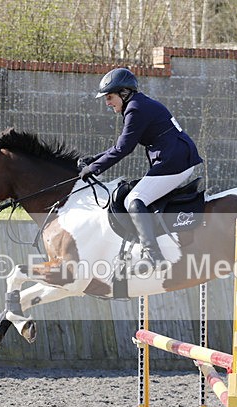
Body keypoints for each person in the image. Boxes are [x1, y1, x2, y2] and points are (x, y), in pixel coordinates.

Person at [78, 67, 203, 275]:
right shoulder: (138, 105)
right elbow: (122, 145)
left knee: (134, 199)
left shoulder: (135, 109)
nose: (107, 103)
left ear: (124, 93)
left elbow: (123, 149)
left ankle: (153, 255)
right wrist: (94, 159)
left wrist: (94, 168)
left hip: (175, 161)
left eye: (109, 97)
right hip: (175, 158)